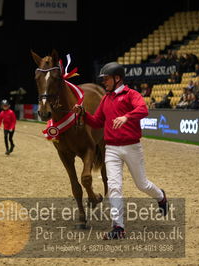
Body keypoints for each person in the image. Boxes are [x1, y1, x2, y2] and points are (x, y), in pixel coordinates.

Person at [72, 62, 168, 240]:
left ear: (117, 78)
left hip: (132, 147)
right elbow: (97, 122)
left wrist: (126, 116)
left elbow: (143, 109)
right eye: (103, 79)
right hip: (112, 149)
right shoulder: (106, 99)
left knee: (142, 184)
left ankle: (161, 196)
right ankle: (118, 227)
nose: (104, 82)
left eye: (106, 79)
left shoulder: (131, 95)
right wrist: (83, 113)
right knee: (114, 187)